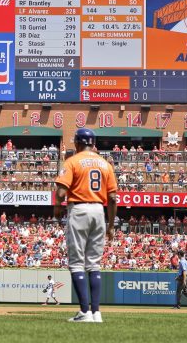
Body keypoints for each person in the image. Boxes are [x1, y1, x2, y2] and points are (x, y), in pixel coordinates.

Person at [54, 128, 118, 323]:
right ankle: (96, 313)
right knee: (93, 264)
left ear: (77, 142)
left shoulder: (72, 161)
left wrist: (57, 207)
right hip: (99, 210)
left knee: (76, 263)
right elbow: (113, 198)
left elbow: (61, 193)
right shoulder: (105, 164)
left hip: (79, 209)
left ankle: (84, 312)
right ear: (93, 143)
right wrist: (111, 225)